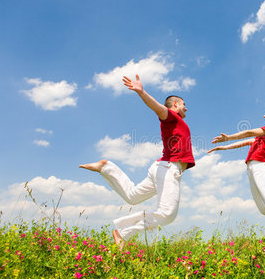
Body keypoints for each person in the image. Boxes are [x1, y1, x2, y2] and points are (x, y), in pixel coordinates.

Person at [80, 74, 195, 246]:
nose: (186, 109)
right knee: (167, 214)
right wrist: (141, 92)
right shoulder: (172, 116)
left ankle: (106, 167)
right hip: (169, 168)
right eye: (184, 105)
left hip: (161, 168)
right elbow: (157, 108)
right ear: (176, 104)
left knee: (132, 197)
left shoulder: (176, 121)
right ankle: (123, 233)